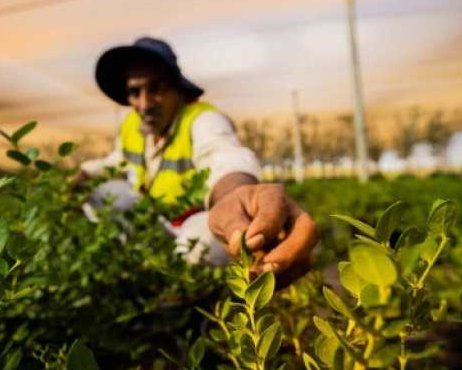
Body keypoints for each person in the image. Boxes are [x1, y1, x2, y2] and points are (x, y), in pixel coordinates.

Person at [77, 37, 317, 286]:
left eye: (156, 89)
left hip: (189, 229)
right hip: (152, 226)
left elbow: (225, 155)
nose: (144, 104)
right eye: (134, 92)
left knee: (202, 241)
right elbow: (117, 161)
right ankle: (142, 275)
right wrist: (81, 175)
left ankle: (193, 292)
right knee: (106, 193)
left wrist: (235, 194)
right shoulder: (132, 126)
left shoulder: (203, 120)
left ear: (178, 89)